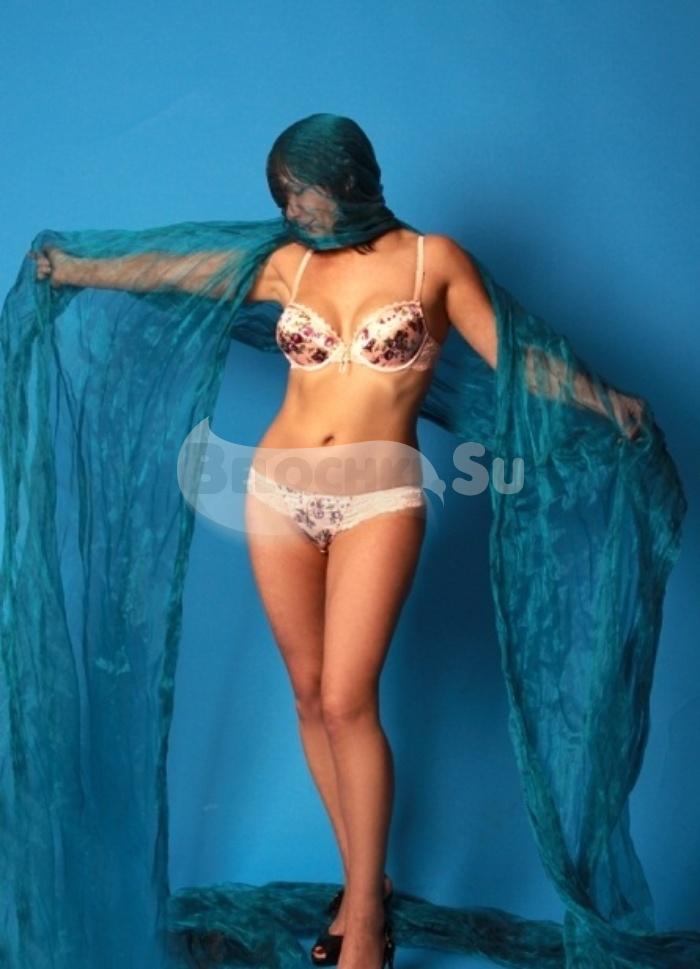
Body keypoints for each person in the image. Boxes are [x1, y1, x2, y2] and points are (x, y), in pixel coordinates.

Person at [19, 113, 683, 969]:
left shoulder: (432, 262)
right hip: (277, 492)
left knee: (346, 700)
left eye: (306, 192)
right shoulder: (285, 263)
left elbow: (518, 359)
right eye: (284, 196)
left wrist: (602, 397)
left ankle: (366, 917)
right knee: (307, 696)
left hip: (379, 495)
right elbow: (180, 269)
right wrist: (77, 267)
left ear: (352, 178)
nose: (296, 209)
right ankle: (364, 882)